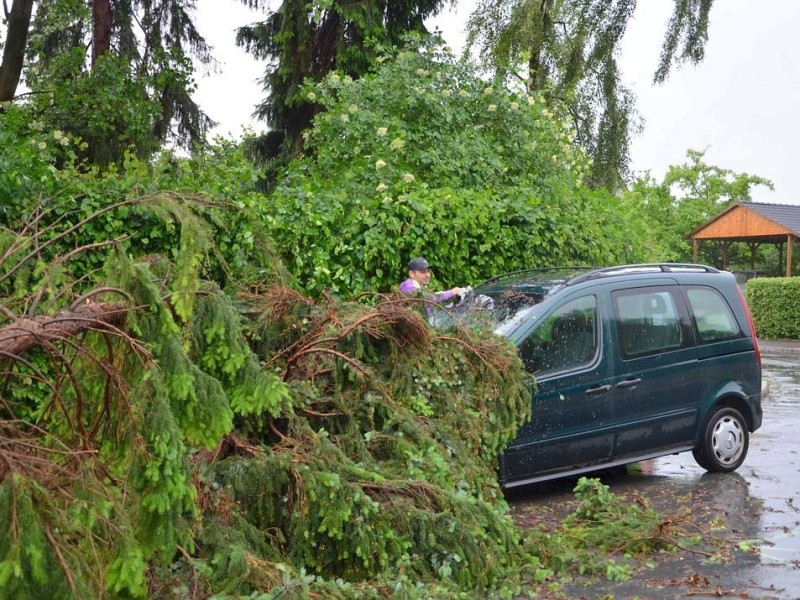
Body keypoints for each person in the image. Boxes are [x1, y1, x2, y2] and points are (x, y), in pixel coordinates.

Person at [399, 257, 466, 306]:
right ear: (412, 274)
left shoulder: (417, 286)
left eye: (428, 271)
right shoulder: (409, 286)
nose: (427, 275)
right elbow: (430, 298)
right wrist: (452, 292)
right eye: (423, 272)